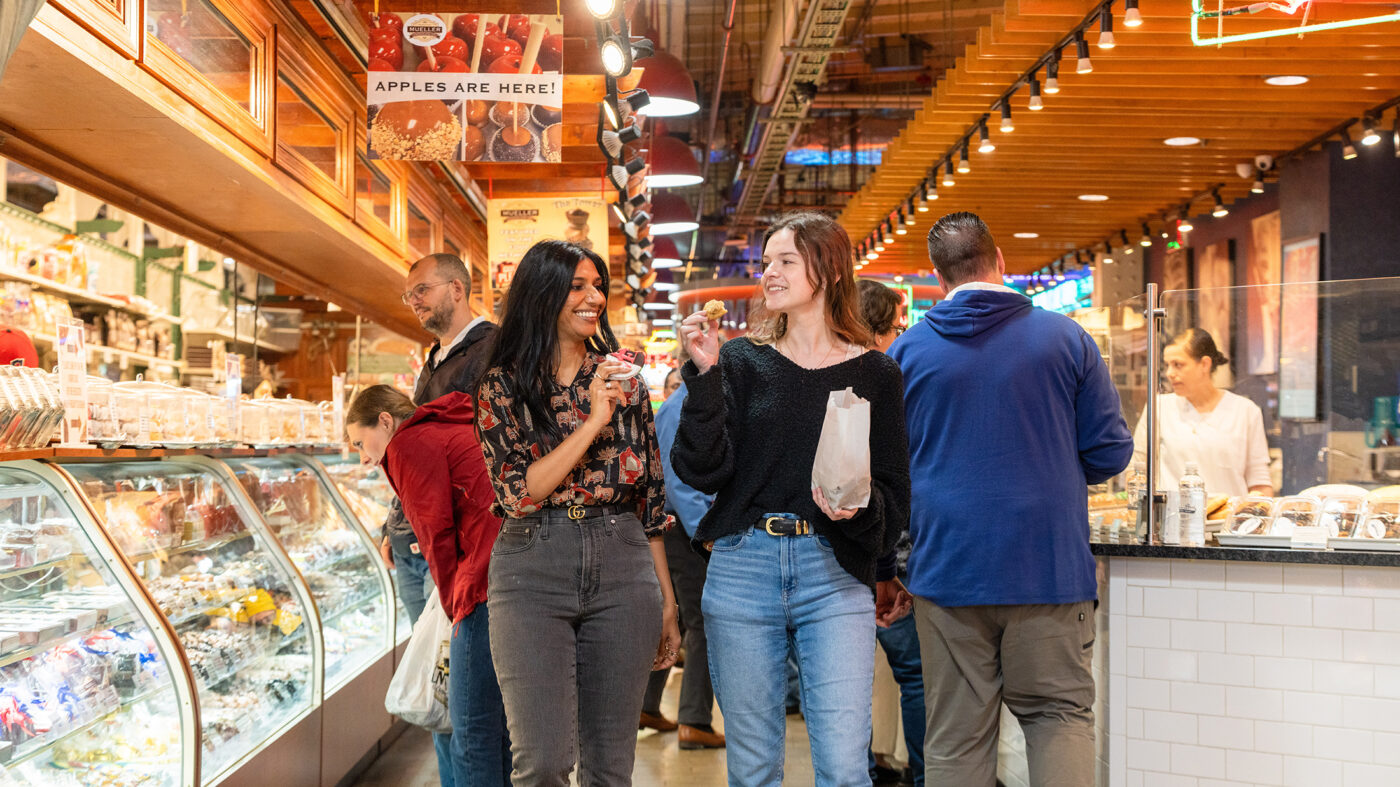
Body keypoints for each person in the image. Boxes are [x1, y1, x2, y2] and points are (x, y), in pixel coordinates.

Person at [888, 212, 1133, 787]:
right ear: (1001, 263)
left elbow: (888, 472)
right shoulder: (1066, 337)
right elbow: (1110, 454)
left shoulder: (907, 352)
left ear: (937, 275)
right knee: (1059, 718)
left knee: (954, 737)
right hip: (1047, 568)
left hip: (945, 572)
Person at [674, 210, 911, 786]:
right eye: (765, 263)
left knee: (844, 766)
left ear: (827, 270)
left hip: (834, 572)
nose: (768, 275)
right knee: (753, 769)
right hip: (742, 566)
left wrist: (860, 508)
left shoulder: (878, 373)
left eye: (785, 261)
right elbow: (700, 470)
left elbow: (896, 496)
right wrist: (702, 378)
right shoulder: (738, 361)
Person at [474, 239, 682, 785]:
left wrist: (666, 599)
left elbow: (651, 497)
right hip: (531, 567)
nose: (594, 298)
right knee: (541, 762)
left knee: (611, 766)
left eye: (598, 287)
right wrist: (592, 421)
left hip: (623, 559)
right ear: (542, 295)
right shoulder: (504, 385)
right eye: (578, 286)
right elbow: (519, 492)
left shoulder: (626, 380)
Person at [344, 386, 511, 787]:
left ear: (385, 421)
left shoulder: (407, 445)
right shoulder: (442, 424)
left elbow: (435, 532)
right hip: (507, 569)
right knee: (499, 729)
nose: (363, 457)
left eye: (360, 442)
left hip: (481, 582)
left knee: (470, 732)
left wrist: (453, 605)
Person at [380, 251, 497, 786]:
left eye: (422, 290)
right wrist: (392, 524)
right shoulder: (435, 359)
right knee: (438, 688)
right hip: (422, 543)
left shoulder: (489, 349)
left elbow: (481, 456)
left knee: (464, 703)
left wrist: (452, 561)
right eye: (409, 295)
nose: (414, 302)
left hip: (456, 551)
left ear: (457, 288)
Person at [856, 280, 924, 787]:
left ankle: (864, 770)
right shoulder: (888, 380)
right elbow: (894, 478)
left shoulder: (819, 374)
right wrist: (886, 567)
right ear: (877, 328)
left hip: (829, 558)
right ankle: (920, 777)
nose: (901, 335)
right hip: (884, 558)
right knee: (915, 677)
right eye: (897, 326)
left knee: (840, 681)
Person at [654, 361, 726, 750]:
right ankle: (694, 720)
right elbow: (679, 482)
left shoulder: (683, 405)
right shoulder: (684, 408)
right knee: (703, 622)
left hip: (679, 527)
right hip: (685, 529)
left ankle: (650, 705)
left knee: (679, 616)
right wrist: (707, 534)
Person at [1133, 328, 1273, 497]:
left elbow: (1260, 482)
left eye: (1178, 365)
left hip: (1227, 520)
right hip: (1171, 519)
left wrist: (1252, 514)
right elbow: (1136, 468)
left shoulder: (1245, 411)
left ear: (1204, 364)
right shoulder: (1158, 407)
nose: (1169, 373)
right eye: (1167, 365)